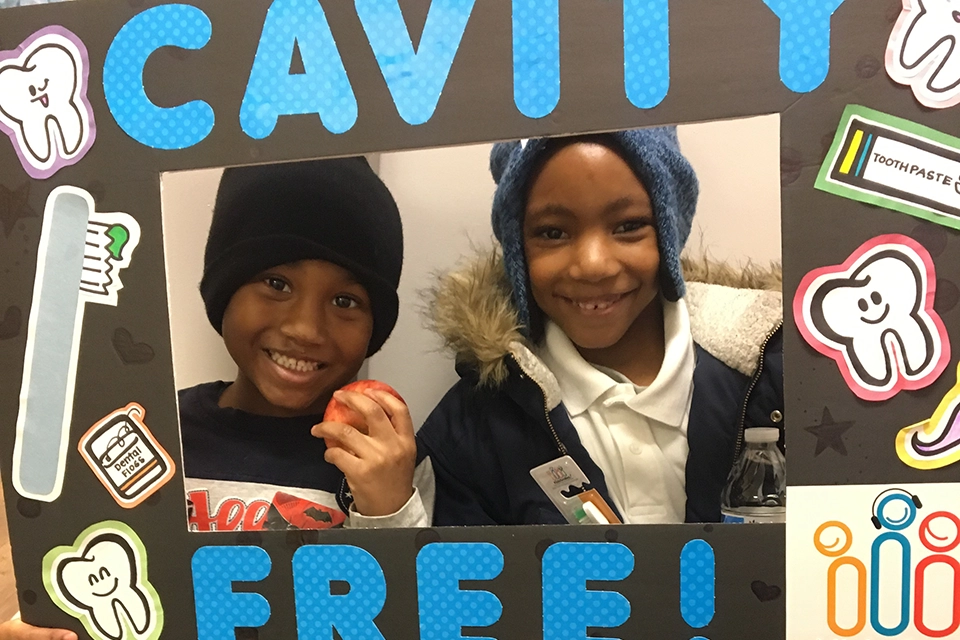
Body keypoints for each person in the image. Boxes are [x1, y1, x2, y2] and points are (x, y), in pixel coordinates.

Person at [2, 157, 433, 637]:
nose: (306, 329)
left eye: (345, 301)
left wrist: (388, 510)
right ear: (225, 289)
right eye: (276, 283)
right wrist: (50, 620)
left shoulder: (392, 457)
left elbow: (414, 618)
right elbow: (92, 570)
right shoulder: (148, 432)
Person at [417, 128, 783, 526]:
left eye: (628, 226)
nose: (593, 264)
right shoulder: (472, 428)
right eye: (553, 233)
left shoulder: (786, 373)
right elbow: (459, 581)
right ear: (518, 250)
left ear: (668, 230)